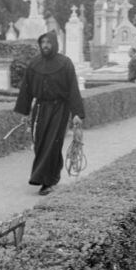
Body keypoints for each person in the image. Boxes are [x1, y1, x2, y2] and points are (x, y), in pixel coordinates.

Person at [14, 31, 85, 196]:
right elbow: (26, 89)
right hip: (40, 108)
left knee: (52, 143)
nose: (45, 45)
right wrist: (24, 112)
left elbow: (73, 89)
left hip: (60, 109)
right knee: (39, 143)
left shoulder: (65, 63)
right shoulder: (34, 64)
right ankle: (49, 176)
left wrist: (77, 113)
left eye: (48, 42)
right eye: (43, 42)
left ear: (54, 43)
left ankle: (47, 181)